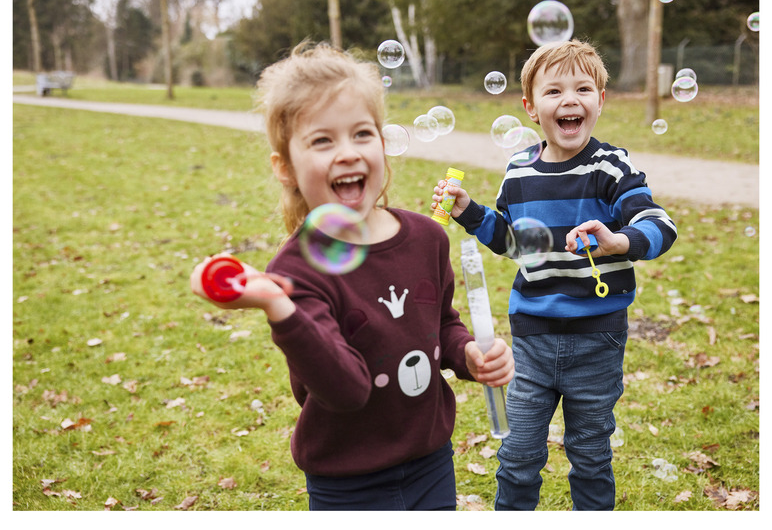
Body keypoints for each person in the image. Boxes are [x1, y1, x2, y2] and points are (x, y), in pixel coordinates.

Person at [190, 41, 514, 511]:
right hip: (346, 480)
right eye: (322, 141)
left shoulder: (426, 238)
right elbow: (346, 391)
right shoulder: (296, 272)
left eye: (362, 133)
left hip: (430, 461)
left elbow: (441, 323)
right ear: (286, 168)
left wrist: (468, 354)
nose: (347, 152)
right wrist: (280, 306)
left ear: (382, 144)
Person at [433, 39, 677, 510]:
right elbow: (514, 242)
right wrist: (469, 212)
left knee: (590, 455)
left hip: (598, 339)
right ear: (530, 108)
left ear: (600, 101)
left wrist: (618, 240)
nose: (570, 100)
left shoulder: (612, 167)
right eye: (554, 91)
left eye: (583, 89)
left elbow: (659, 224)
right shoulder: (518, 171)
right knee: (518, 456)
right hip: (533, 338)